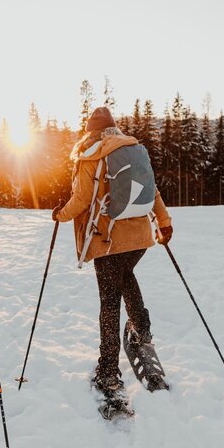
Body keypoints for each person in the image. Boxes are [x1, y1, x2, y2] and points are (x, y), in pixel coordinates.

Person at [52, 106, 173, 398]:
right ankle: (141, 330)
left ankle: (108, 369)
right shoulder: (132, 150)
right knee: (125, 276)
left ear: (91, 131)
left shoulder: (92, 154)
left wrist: (60, 215)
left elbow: (81, 199)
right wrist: (164, 223)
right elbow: (152, 190)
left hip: (108, 240)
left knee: (109, 301)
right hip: (140, 238)